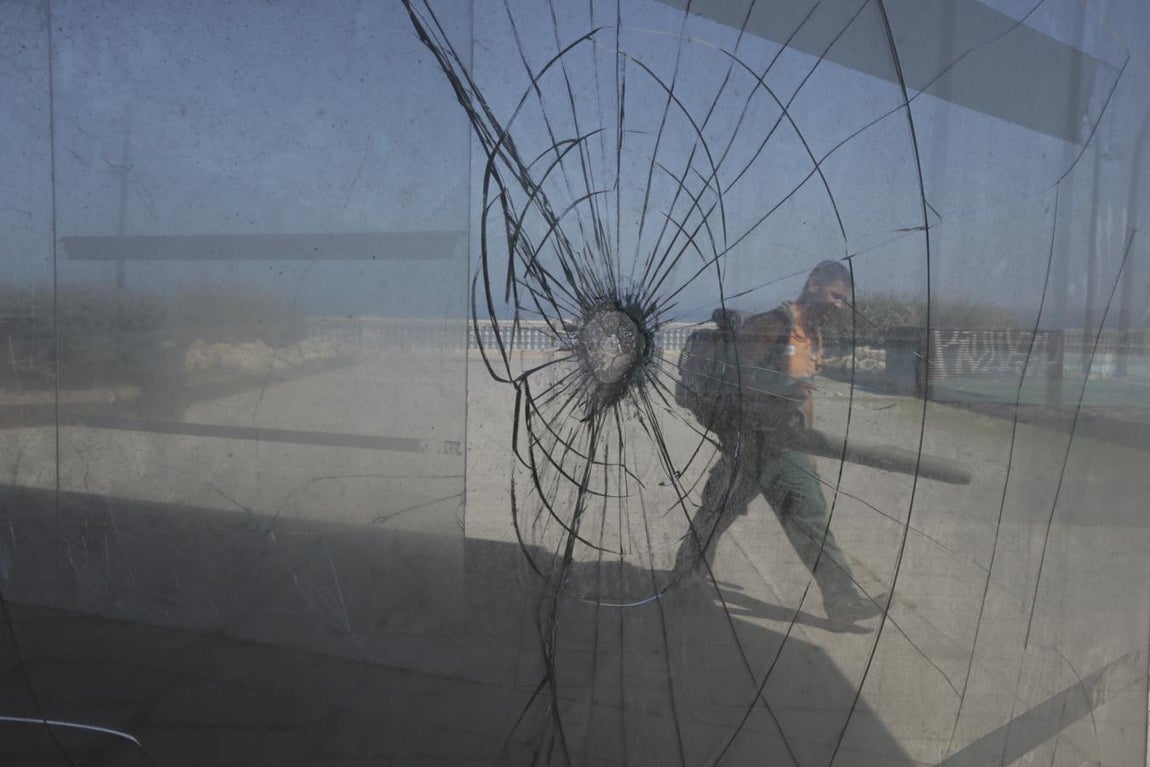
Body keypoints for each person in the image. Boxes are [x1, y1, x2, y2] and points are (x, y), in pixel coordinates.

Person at [674, 261, 883, 627]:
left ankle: (843, 600)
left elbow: (805, 399)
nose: (839, 305)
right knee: (717, 512)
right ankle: (683, 580)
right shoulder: (773, 324)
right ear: (814, 285)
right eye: (836, 296)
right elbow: (736, 379)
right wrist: (779, 389)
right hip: (751, 441)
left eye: (843, 300)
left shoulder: (811, 335)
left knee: (810, 515)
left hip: (786, 444)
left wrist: (810, 448)